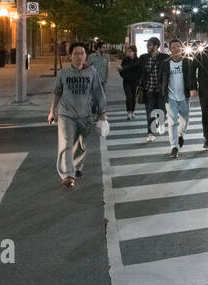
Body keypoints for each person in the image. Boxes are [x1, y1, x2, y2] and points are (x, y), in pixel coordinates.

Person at [47, 41, 106, 188]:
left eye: (82, 53)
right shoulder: (63, 73)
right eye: (76, 54)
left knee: (81, 145)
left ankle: (76, 166)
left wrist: (102, 112)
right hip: (66, 114)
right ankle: (67, 174)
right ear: (70, 56)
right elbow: (57, 92)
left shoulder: (91, 72)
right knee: (66, 144)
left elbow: (99, 93)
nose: (79, 56)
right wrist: (52, 111)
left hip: (85, 115)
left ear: (86, 55)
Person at [163, 37, 197, 158]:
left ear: (181, 48)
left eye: (178, 46)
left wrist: (193, 88)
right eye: (173, 47)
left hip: (184, 96)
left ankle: (180, 134)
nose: (175, 49)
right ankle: (174, 147)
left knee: (185, 119)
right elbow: (162, 80)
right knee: (172, 122)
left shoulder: (188, 62)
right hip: (170, 97)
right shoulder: (166, 63)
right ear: (169, 49)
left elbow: (192, 77)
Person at [138, 36, 168, 143]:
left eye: (149, 45)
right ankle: (150, 133)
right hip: (148, 90)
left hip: (161, 90)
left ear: (156, 46)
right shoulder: (143, 57)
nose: (147, 47)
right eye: (147, 45)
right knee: (149, 112)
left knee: (162, 111)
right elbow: (135, 68)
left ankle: (158, 123)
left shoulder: (164, 57)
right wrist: (123, 70)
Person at [119, 44, 142, 119]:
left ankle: (132, 112)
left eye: (130, 51)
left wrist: (138, 80)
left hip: (135, 82)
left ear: (134, 52)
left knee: (133, 97)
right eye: (127, 51)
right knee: (128, 96)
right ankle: (128, 112)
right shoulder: (125, 60)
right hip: (126, 81)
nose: (128, 53)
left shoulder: (138, 60)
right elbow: (121, 71)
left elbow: (140, 72)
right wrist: (125, 76)